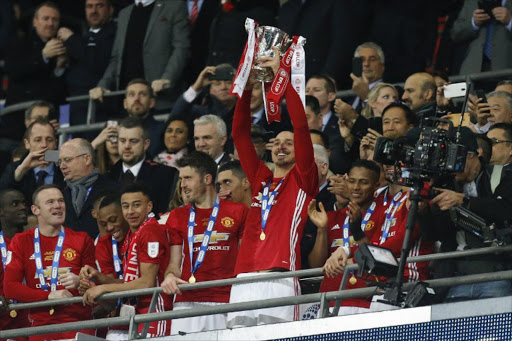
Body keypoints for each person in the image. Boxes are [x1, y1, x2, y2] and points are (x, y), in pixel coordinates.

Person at [227, 54, 318, 327]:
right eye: (276, 142)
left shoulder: (303, 179)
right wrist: (247, 86)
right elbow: (239, 134)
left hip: (280, 276)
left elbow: (301, 127)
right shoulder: (260, 179)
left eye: (288, 143)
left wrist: (282, 78)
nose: (280, 146)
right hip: (243, 278)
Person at [162, 151, 247, 334]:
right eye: (181, 178)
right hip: (186, 303)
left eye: (188, 178)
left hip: (225, 300)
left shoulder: (238, 211)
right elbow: (174, 265)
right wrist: (169, 276)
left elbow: (244, 261)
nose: (182, 185)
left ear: (207, 179)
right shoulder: (177, 216)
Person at [430, 124, 512, 302]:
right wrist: (423, 210)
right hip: (456, 276)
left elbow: (506, 210)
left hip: (496, 273)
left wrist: (464, 202)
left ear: (475, 154)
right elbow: (436, 233)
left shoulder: (502, 175)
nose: (450, 166)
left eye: (454, 158)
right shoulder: (446, 184)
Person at [4, 185, 96, 341]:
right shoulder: (21, 241)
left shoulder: (82, 239)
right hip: (40, 326)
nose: (58, 205)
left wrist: (81, 281)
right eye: (50, 202)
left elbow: (95, 283)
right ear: (35, 210)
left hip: (77, 324)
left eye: (61, 200)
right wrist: (49, 295)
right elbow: (10, 287)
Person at [82, 184, 172, 337]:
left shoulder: (150, 231)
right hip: (139, 316)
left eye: (136, 205)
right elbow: (130, 281)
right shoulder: (132, 235)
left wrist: (104, 288)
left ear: (149, 206)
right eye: (126, 206)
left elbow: (146, 283)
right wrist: (99, 278)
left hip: (154, 314)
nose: (130, 211)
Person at [307, 160, 384, 315]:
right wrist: (322, 229)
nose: (356, 187)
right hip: (331, 299)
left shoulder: (384, 214)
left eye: (363, 183)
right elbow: (316, 266)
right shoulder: (333, 217)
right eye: (352, 181)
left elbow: (378, 256)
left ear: (376, 186)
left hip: (368, 299)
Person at [90, 0, 190, 109]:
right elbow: (116, 58)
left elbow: (181, 48)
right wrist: (103, 85)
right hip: (128, 102)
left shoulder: (174, 6)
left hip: (160, 98)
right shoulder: (124, 14)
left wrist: (167, 78)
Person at [3, 1, 67, 143]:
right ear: (35, 21)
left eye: (54, 19)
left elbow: (61, 94)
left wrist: (59, 68)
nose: (50, 23)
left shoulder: (62, 49)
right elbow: (13, 71)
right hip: (15, 131)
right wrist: (43, 56)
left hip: (48, 132)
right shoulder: (19, 44)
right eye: (46, 18)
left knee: (50, 162)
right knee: (16, 164)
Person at [79, 193, 131, 340]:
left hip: (148, 312)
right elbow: (113, 284)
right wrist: (91, 284)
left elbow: (141, 283)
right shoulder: (103, 244)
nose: (109, 227)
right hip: (118, 317)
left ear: (124, 213)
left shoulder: (141, 235)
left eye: (113, 220)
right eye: (103, 224)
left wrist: (100, 280)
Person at [58, 0, 116, 127]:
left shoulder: (116, 34)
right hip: (77, 110)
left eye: (99, 6)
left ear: (110, 10)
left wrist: (71, 39)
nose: (93, 11)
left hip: (103, 110)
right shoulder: (82, 39)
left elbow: (98, 63)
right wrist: (60, 66)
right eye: (89, 6)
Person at [108, 117, 177, 214]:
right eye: (122, 141)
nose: (127, 146)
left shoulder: (166, 174)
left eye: (133, 141)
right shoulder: (107, 177)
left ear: (146, 144)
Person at [59, 138, 118, 238]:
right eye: (60, 162)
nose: (62, 166)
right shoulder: (61, 195)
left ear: (87, 159)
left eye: (67, 160)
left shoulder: (113, 188)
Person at [0, 119, 65, 206]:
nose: (44, 145)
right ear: (27, 144)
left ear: (55, 143)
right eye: (38, 140)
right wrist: (22, 170)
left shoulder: (64, 166)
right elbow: (3, 197)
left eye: (49, 140)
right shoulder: (15, 168)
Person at [451, 0, 512, 74]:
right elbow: (455, 33)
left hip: (506, 69)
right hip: (473, 69)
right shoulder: (471, 2)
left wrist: (510, 21)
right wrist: (473, 23)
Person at [0, 189, 30, 334]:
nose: (22, 207)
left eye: (24, 203)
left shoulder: (35, 244)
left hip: (35, 322)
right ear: (1, 211)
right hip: (4, 325)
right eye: (15, 204)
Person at [170, 64, 237, 123]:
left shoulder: (246, 111)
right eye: (217, 83)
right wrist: (196, 88)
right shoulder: (202, 114)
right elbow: (176, 117)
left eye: (229, 83)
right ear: (210, 90)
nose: (223, 87)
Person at [117, 78, 166, 157]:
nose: (136, 99)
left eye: (142, 94)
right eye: (132, 95)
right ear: (125, 103)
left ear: (152, 102)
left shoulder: (163, 131)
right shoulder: (115, 130)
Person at [351, 42, 386, 113]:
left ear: (382, 66)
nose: (366, 64)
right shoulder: (351, 97)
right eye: (362, 60)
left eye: (372, 59)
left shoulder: (389, 91)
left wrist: (366, 97)